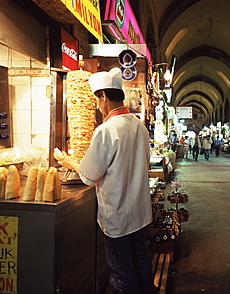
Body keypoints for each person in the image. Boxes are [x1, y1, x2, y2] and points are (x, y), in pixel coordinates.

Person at [58, 68, 158, 293]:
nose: (96, 105)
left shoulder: (106, 130)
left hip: (119, 216)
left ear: (103, 95)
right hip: (140, 213)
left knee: (122, 273)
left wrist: (69, 162)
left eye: (96, 99)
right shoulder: (139, 127)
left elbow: (88, 176)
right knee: (141, 262)